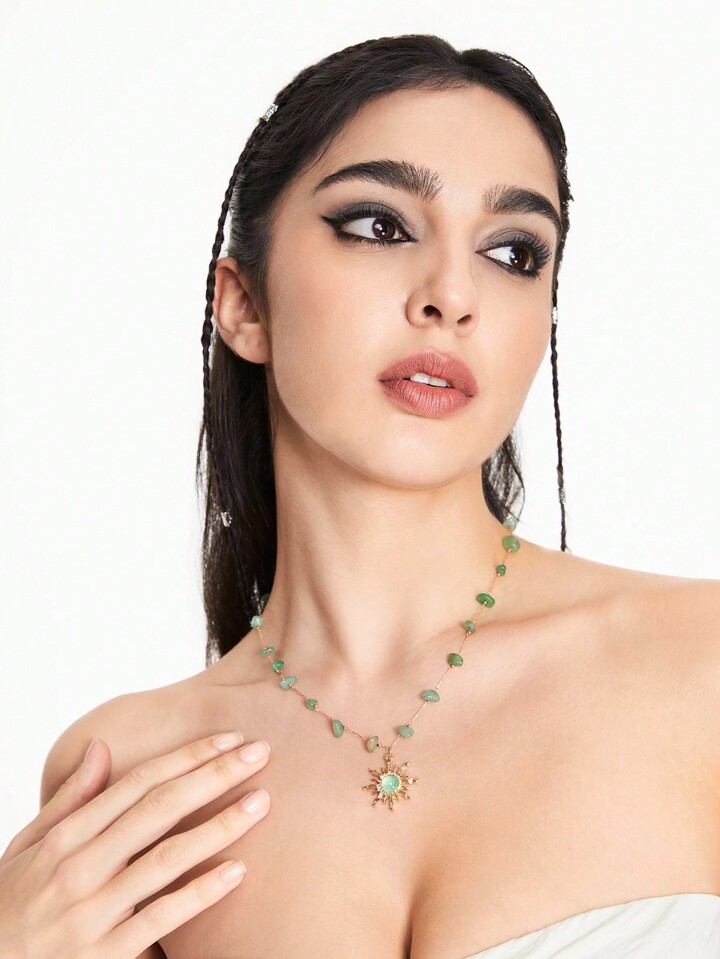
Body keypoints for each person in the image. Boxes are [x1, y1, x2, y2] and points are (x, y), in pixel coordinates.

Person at [2, 32, 719, 959]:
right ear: (244, 305)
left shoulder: (699, 662)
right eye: (380, 226)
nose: (452, 295)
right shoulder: (132, 770)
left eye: (512, 251)